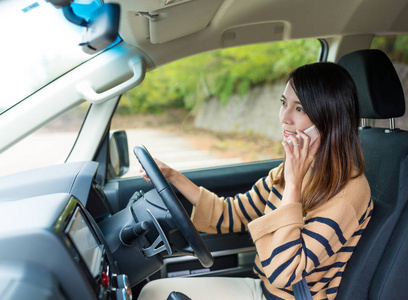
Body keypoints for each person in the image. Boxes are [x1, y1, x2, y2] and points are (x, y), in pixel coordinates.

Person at [137, 62, 373, 300]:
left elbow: (284, 273)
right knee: (152, 292)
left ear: (329, 118)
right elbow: (232, 213)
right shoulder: (293, 169)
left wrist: (293, 185)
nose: (284, 118)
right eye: (284, 103)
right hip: (263, 290)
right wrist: (172, 176)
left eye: (300, 108)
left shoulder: (347, 193)